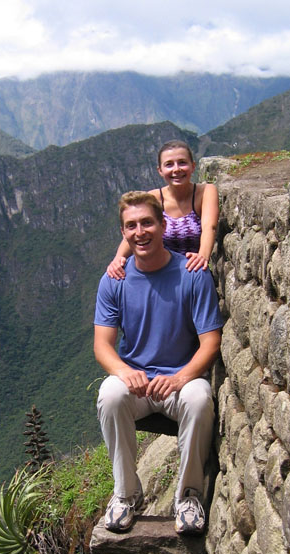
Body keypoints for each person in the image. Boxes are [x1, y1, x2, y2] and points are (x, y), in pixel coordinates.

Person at [94, 191, 223, 534]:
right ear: (123, 233)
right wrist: (124, 371)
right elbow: (103, 346)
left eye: (147, 222)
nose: (140, 231)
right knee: (110, 394)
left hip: (180, 378)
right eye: (131, 225)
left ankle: (189, 496)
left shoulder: (192, 274)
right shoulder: (114, 281)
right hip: (137, 380)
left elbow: (211, 342)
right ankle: (126, 494)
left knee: (199, 398)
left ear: (164, 225)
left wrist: (181, 378)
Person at [107, 140, 219, 280]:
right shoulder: (153, 198)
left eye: (182, 162)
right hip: (160, 274)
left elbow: (210, 227)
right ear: (160, 170)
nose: (176, 169)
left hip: (192, 273)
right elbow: (135, 230)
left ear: (193, 166)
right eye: (169, 164)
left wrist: (202, 257)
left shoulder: (205, 192)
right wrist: (118, 258)